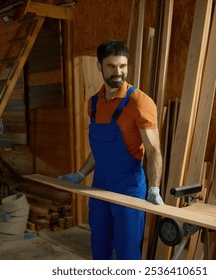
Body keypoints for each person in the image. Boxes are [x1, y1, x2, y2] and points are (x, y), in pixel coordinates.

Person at [59, 39, 163, 260]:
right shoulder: (93, 103)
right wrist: (80, 173)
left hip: (129, 190)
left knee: (126, 255)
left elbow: (154, 150)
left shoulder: (139, 102)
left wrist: (154, 187)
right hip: (99, 189)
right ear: (99, 66)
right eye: (111, 66)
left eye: (123, 66)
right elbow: (101, 149)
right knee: (100, 250)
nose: (118, 72)